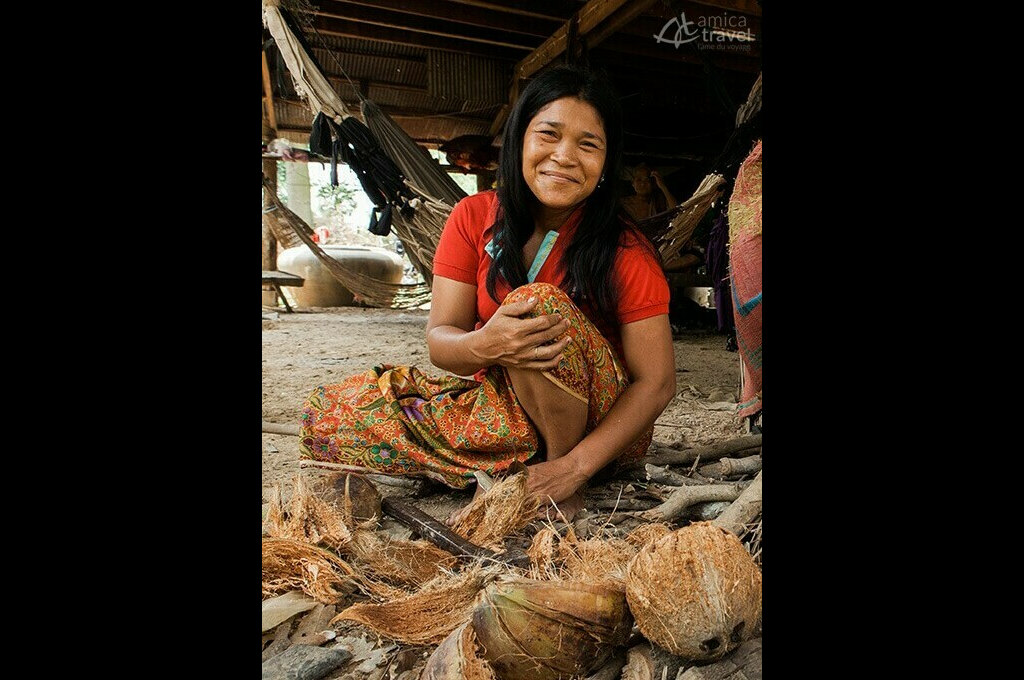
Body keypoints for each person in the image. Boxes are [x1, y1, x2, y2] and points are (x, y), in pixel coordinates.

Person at [298, 65, 676, 521]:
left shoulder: (625, 248)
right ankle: (512, 464)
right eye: (549, 135)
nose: (564, 156)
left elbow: (656, 383)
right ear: (519, 141)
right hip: (503, 406)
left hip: (601, 431)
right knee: (329, 415)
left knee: (535, 305)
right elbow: (442, 339)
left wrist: (573, 468)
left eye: (588, 144)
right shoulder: (473, 216)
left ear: (606, 162)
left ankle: (554, 476)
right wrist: (485, 344)